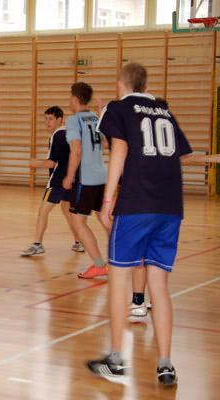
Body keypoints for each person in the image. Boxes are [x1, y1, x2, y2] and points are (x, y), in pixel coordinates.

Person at [87, 63, 220, 385]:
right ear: (145, 85)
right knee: (159, 286)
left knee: (118, 280)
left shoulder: (119, 108)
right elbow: (176, 155)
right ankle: (165, 364)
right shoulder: (164, 112)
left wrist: (107, 201)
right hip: (170, 206)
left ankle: (116, 359)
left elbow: (119, 149)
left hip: (136, 204)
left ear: (120, 83)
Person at [21, 106, 84, 256]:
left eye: (51, 119)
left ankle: (37, 244)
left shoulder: (57, 136)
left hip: (58, 181)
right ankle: (78, 242)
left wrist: (35, 163)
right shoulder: (70, 134)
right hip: (73, 179)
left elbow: (51, 163)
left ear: (59, 119)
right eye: (46, 119)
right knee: (67, 210)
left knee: (43, 211)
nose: (47, 122)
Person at [63, 82, 109, 279]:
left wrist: (69, 176)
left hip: (86, 178)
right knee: (105, 219)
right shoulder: (96, 117)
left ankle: (99, 265)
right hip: (102, 175)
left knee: (78, 222)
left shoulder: (74, 120)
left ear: (75, 99)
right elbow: (104, 144)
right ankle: (121, 259)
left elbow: (76, 151)